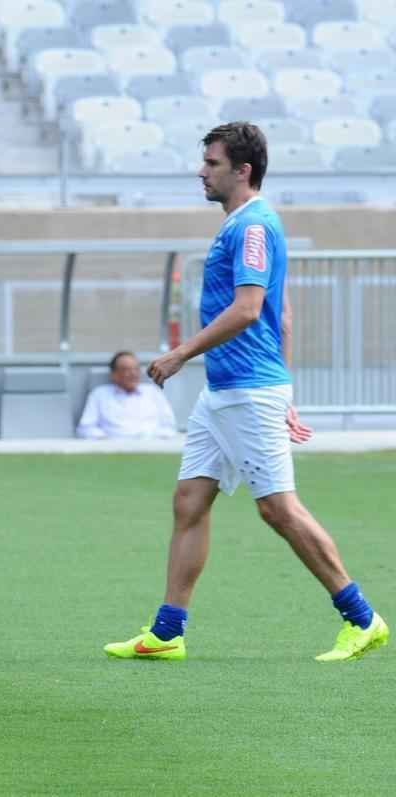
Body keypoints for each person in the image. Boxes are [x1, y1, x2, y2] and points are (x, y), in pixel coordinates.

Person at [104, 122, 387, 662]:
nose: (200, 171)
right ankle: (168, 631)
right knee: (190, 500)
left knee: (279, 509)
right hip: (230, 390)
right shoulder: (240, 225)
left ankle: (362, 619)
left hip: (247, 391)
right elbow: (282, 317)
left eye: (210, 163)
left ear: (242, 170)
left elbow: (250, 309)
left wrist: (181, 353)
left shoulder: (252, 227)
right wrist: (286, 387)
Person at [76, 351, 177, 439]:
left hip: (152, 446)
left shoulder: (153, 392)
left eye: (136, 369)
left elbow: (169, 426)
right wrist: (106, 441)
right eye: (126, 370)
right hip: (113, 450)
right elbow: (85, 428)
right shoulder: (99, 394)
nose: (133, 374)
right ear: (113, 374)